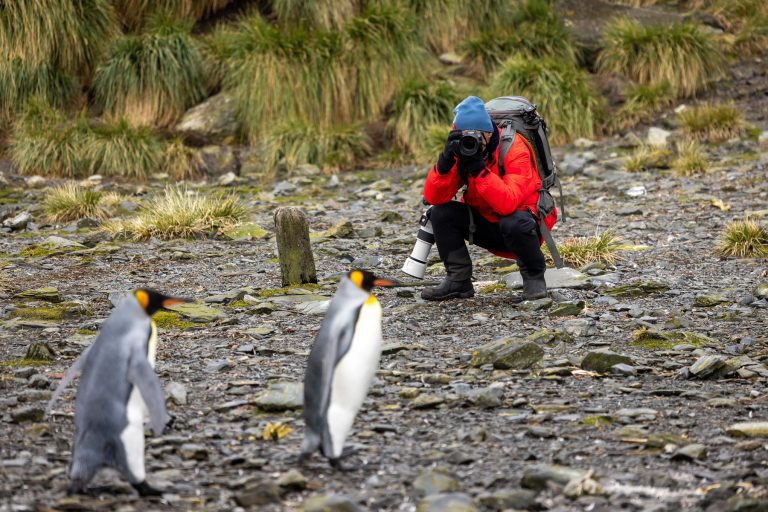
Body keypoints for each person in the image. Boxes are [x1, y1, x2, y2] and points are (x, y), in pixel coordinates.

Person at [421, 95, 557, 301]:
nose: (471, 140)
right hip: (486, 221)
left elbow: (508, 203)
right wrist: (445, 163)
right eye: (464, 135)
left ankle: (534, 279)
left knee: (515, 221)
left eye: (476, 135)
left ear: (488, 131)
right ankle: (458, 280)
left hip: (524, 226)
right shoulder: (462, 150)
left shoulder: (514, 148)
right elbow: (434, 197)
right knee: (440, 213)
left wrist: (478, 170)